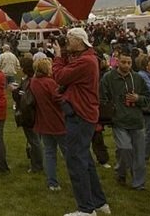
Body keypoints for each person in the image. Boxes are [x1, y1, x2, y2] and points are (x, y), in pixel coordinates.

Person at [53, 28, 110, 216]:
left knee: (75, 160)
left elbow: (60, 76)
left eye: (70, 39)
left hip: (79, 114)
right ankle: (99, 202)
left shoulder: (85, 62)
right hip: (85, 113)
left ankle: (86, 209)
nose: (67, 43)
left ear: (79, 41)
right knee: (84, 159)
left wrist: (58, 57)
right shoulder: (89, 59)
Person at [100, 53, 150, 191]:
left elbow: (148, 98)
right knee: (124, 149)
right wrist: (109, 111)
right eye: (123, 62)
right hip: (119, 121)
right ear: (117, 62)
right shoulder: (109, 78)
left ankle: (138, 183)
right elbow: (102, 98)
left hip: (137, 121)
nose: (126, 65)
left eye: (129, 63)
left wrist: (138, 99)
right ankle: (121, 172)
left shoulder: (138, 78)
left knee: (139, 155)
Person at [30, 57, 67, 191]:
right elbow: (59, 99)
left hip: (43, 121)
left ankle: (52, 182)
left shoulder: (34, 82)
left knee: (49, 152)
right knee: (68, 152)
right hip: (57, 121)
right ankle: (78, 178)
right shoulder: (50, 83)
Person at [12, 55, 43, 174]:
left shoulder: (29, 82)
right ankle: (36, 163)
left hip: (29, 115)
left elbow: (26, 99)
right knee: (34, 140)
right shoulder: (28, 80)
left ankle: (37, 165)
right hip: (31, 114)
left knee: (34, 141)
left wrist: (16, 92)